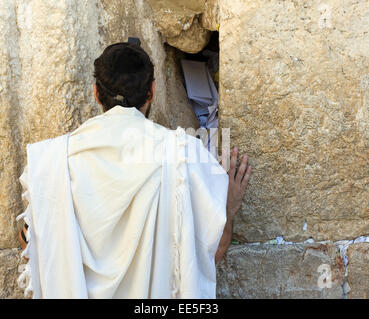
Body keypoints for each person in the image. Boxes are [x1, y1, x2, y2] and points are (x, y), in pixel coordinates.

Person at [17, 42, 252, 299]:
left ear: (96, 92)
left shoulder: (51, 162)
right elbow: (210, 254)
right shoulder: (184, 155)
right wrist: (227, 207)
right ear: (151, 91)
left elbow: (35, 250)